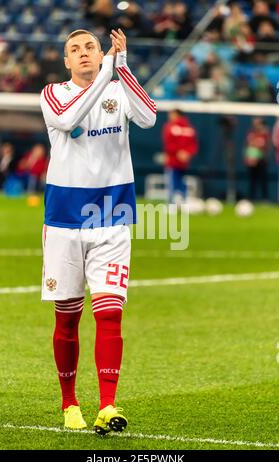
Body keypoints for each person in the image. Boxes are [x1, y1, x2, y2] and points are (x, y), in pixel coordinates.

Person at [40, 28, 156, 434]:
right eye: (75, 49)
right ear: (66, 62)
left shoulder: (117, 85)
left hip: (111, 218)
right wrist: (108, 69)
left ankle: (108, 404)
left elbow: (149, 115)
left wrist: (121, 67)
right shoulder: (53, 94)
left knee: (110, 314)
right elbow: (71, 118)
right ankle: (69, 403)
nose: (85, 53)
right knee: (67, 318)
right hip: (64, 221)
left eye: (91, 46)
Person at [162, 109, 198, 203]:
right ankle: (183, 203)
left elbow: (168, 143)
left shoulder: (170, 126)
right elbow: (193, 145)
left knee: (172, 183)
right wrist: (187, 153)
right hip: (183, 162)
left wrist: (179, 152)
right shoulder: (189, 128)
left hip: (173, 160)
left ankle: (172, 204)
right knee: (182, 183)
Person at [244, 117, 270, 201]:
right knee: (252, 181)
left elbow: (267, 146)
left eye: (257, 123)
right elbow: (248, 146)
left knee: (263, 180)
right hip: (251, 160)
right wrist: (248, 158)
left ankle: (265, 199)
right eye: (254, 123)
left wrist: (265, 157)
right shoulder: (251, 133)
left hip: (261, 160)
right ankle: (251, 198)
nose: (255, 125)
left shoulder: (265, 133)